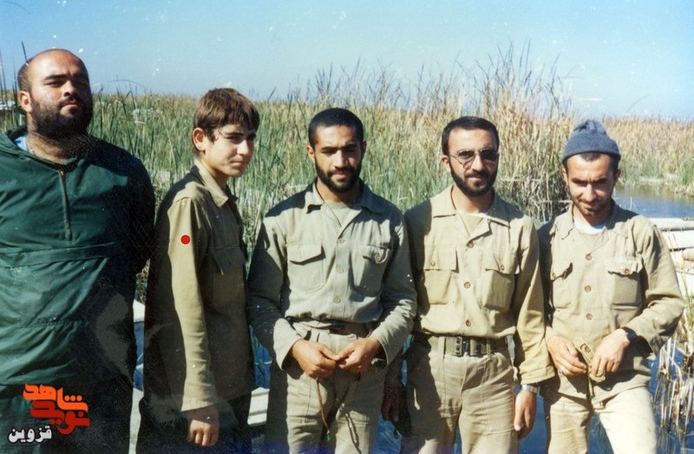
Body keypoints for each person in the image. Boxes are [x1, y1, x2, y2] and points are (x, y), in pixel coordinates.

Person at [0, 48, 154, 452]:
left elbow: (135, 255)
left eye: (80, 81)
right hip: (20, 386)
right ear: (25, 100)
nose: (72, 89)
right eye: (55, 82)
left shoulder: (123, 172)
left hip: (102, 384)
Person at [247, 107, 416, 453]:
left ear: (363, 149)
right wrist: (296, 348)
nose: (341, 161)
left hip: (363, 373)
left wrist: (376, 345)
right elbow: (259, 301)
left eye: (350, 149)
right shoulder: (283, 219)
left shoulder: (389, 220)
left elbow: (403, 301)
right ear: (311, 152)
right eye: (329, 151)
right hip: (300, 372)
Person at [393, 116, 554, 453]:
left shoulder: (519, 227)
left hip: (493, 375)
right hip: (429, 371)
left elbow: (530, 315)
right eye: (465, 155)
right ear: (445, 161)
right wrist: (391, 382)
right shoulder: (417, 221)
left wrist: (529, 388)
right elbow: (398, 307)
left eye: (488, 154)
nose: (478, 165)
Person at [538, 120, 684, 454]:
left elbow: (669, 303)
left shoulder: (641, 232)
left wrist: (625, 336)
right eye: (579, 182)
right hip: (564, 384)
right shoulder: (545, 238)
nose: (589, 195)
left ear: (616, 176)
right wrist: (551, 340)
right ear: (564, 176)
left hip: (625, 381)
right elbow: (529, 311)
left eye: (600, 182)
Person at [137, 88, 259, 453]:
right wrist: (198, 400)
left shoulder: (219, 201)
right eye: (234, 138)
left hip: (228, 390)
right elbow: (180, 311)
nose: (246, 150)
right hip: (198, 403)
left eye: (251, 139)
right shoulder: (190, 203)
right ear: (200, 139)